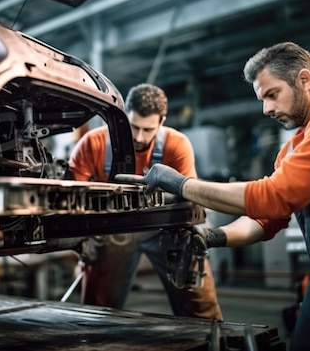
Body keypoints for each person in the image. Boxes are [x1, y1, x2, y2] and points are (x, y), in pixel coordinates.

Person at [136, 42, 310, 350]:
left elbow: (275, 196)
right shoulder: (293, 148)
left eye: (272, 95)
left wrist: (182, 184)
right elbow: (267, 217)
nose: (266, 109)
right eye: (262, 99)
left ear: (304, 80)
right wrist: (212, 237)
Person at [69, 83, 223, 320]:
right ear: (124, 116)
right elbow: (73, 201)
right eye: (133, 126)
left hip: (166, 229)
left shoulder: (176, 144)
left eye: (148, 129)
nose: (139, 137)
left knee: (200, 307)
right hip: (114, 232)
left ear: (161, 122)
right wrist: (80, 244)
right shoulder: (93, 143)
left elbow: (190, 197)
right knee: (97, 311)